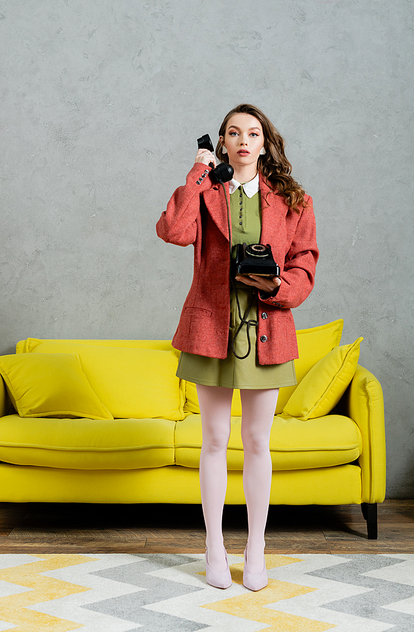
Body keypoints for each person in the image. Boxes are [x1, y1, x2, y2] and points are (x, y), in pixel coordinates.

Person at [156, 103, 318, 591]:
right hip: (211, 329)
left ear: (265, 143)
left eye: (252, 133)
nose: (243, 141)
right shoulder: (205, 192)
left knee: (255, 443)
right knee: (211, 441)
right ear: (222, 143)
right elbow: (172, 230)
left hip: (267, 331)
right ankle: (213, 549)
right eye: (233, 133)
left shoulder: (294, 200)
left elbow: (305, 265)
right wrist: (199, 171)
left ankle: (256, 550)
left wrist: (274, 286)